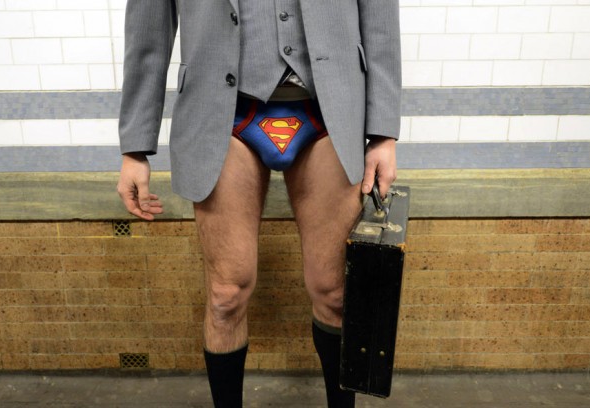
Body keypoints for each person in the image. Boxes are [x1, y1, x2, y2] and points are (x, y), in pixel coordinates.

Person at [117, 1, 401, 407]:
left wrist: (383, 132)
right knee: (226, 295)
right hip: (221, 109)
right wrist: (135, 148)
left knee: (335, 292)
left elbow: (380, 18)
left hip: (329, 107)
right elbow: (148, 26)